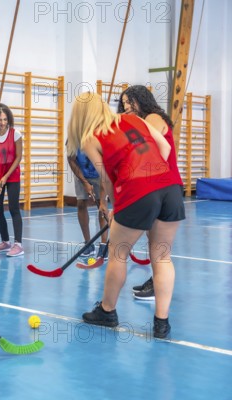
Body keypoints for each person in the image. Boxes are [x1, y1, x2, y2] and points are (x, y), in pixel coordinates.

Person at [68, 92, 184, 339]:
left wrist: (116, 207)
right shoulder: (135, 120)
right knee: (162, 256)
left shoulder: (90, 138)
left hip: (138, 191)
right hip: (170, 187)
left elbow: (107, 179)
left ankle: (107, 311)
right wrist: (155, 178)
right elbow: (164, 146)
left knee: (117, 253)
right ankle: (161, 324)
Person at [118, 85, 184, 301]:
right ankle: (157, 281)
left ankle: (157, 285)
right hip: (155, 188)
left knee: (159, 249)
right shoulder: (140, 121)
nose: (127, 106)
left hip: (162, 186)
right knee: (154, 242)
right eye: (124, 103)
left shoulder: (153, 118)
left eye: (131, 101)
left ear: (142, 100)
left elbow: (145, 147)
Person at [0, 103, 24, 257]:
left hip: (12, 174)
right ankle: (6, 242)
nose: (2, 123)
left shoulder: (15, 134)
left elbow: (18, 157)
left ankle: (18, 245)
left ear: (9, 120)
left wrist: (5, 177)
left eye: (5, 119)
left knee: (14, 208)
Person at [67, 149, 108, 258]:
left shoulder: (99, 137)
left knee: (102, 205)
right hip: (81, 174)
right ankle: (88, 245)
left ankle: (104, 245)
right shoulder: (73, 138)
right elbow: (71, 160)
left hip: (100, 173)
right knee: (80, 204)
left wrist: (103, 199)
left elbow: (105, 165)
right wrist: (85, 182)